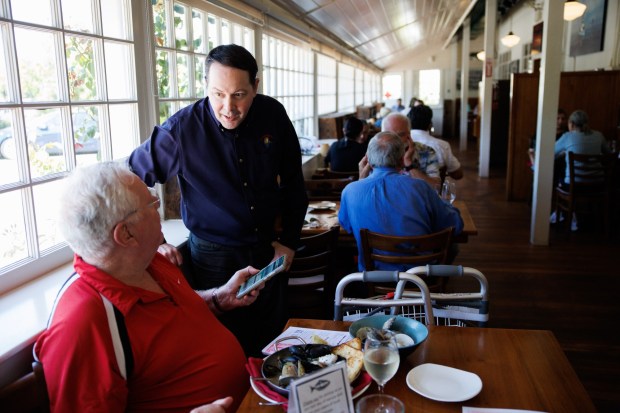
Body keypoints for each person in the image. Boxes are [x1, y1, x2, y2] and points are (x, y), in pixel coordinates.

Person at [34, 162, 262, 413]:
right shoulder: (83, 321)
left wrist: (219, 298)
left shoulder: (148, 261)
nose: (159, 211)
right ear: (126, 234)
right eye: (152, 205)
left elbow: (173, 319)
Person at [128, 44, 308, 357]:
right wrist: (155, 240)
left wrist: (289, 241)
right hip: (213, 258)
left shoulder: (273, 114)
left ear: (256, 87)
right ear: (206, 87)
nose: (228, 107)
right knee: (227, 347)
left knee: (277, 344)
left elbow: (294, 183)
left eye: (239, 94)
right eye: (218, 93)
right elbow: (130, 179)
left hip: (269, 249)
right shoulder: (180, 130)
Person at [339, 132, 463, 271]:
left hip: (373, 277)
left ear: (368, 160)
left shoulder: (350, 191)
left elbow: (347, 226)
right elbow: (456, 225)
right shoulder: (420, 187)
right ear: (401, 160)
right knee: (452, 247)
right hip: (419, 278)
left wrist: (361, 180)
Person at [359, 112, 441, 187]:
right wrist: (362, 174)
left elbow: (436, 186)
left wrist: (409, 164)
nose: (395, 141)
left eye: (400, 135)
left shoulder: (425, 151)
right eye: (389, 135)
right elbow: (363, 189)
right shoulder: (375, 152)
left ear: (409, 135)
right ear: (381, 134)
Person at [554, 109, 610, 187]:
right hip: (598, 183)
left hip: (574, 185)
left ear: (572, 124)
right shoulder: (599, 135)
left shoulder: (567, 136)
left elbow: (550, 153)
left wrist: (564, 153)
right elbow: (609, 155)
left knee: (559, 177)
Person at [408, 104, 463, 180]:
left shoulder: (401, 143)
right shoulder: (442, 145)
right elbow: (457, 174)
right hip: (432, 190)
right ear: (430, 124)